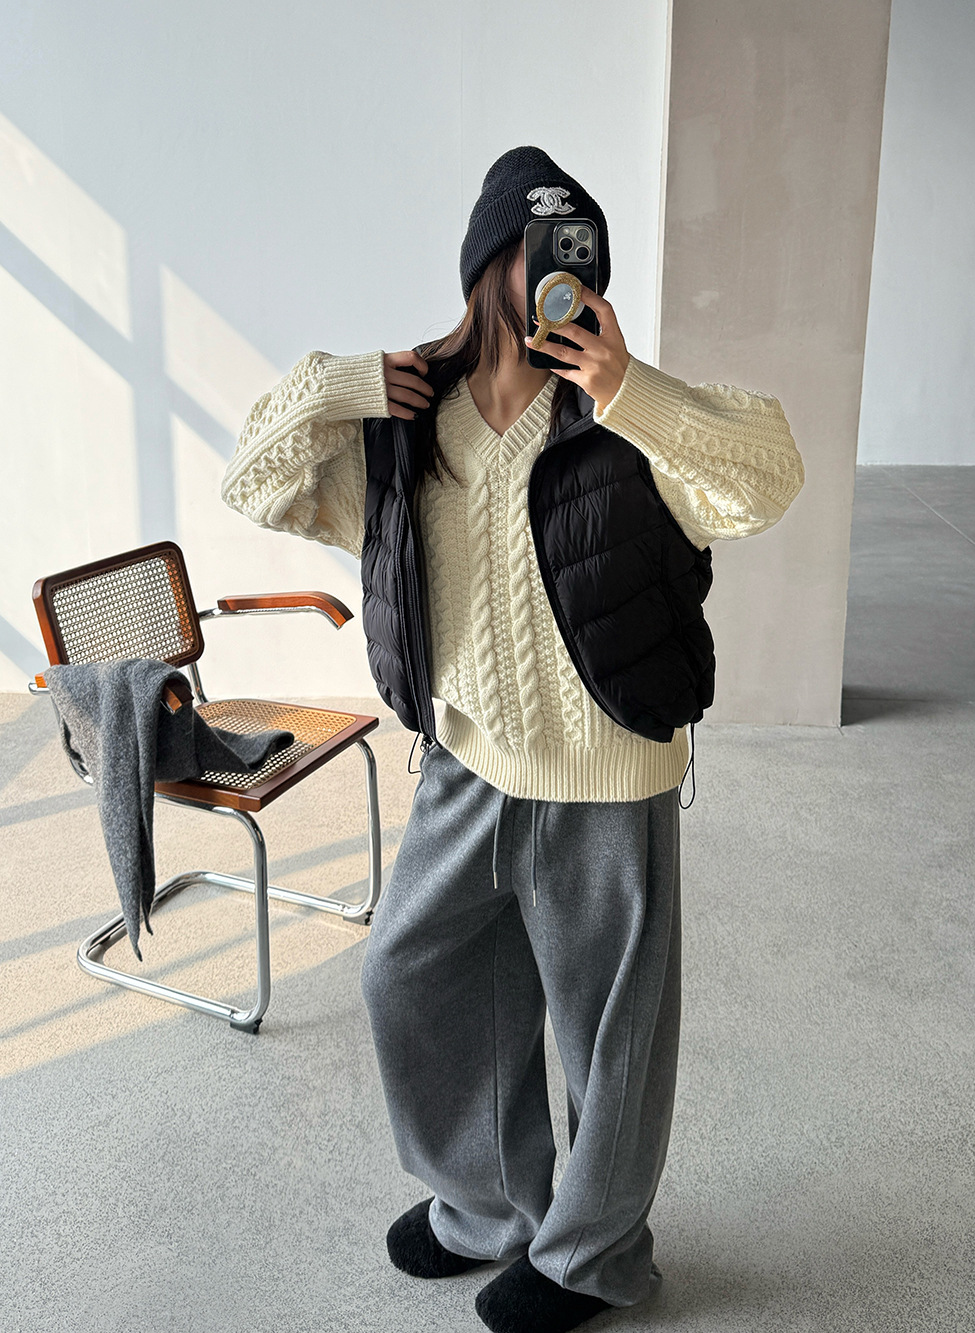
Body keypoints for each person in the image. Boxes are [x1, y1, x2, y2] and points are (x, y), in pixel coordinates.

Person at [221, 146, 805, 1333]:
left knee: (607, 1036)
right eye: (539, 251)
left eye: (580, 254)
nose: (561, 275)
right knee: (409, 973)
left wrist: (634, 387)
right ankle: (489, 1208)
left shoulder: (624, 418)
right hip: (466, 763)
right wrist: (342, 381)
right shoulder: (407, 427)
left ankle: (593, 1257)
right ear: (489, 262)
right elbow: (256, 481)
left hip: (607, 772)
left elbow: (767, 478)